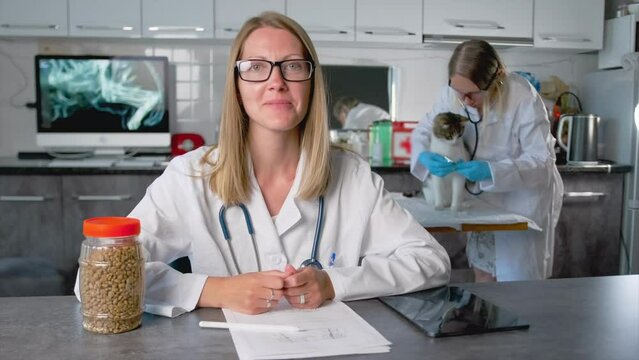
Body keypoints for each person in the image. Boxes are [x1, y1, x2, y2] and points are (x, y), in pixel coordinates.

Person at [79, 12, 450, 317]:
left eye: (292, 66)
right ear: (237, 85)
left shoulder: (352, 176)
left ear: (311, 82)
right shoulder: (189, 176)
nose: (276, 81)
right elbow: (94, 278)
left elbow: (431, 261)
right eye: (256, 67)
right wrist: (214, 289)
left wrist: (334, 282)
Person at [410, 40, 563, 282]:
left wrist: (491, 171)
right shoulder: (454, 94)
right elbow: (423, 131)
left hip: (520, 201)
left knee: (517, 284)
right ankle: (487, 320)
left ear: (497, 79)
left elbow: (541, 161)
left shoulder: (522, 97)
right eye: (459, 92)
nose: (465, 101)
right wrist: (423, 155)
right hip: (481, 203)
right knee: (483, 274)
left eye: (472, 94)